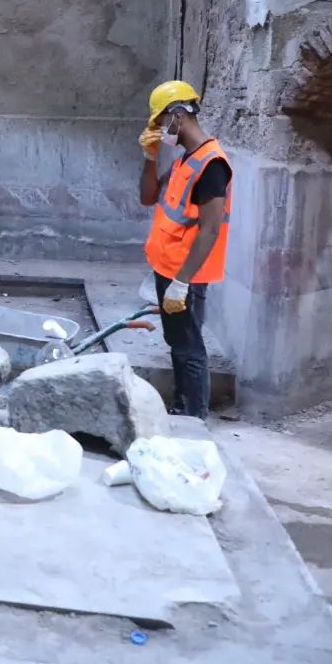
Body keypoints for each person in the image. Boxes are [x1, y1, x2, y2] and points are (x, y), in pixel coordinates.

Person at [137, 80, 231, 420]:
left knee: (190, 349)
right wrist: (150, 158)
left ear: (178, 115)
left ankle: (194, 418)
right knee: (177, 343)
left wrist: (182, 283)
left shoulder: (212, 164)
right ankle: (182, 407)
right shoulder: (185, 160)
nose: (161, 128)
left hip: (185, 274)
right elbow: (148, 197)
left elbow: (210, 229)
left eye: (162, 120)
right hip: (168, 267)